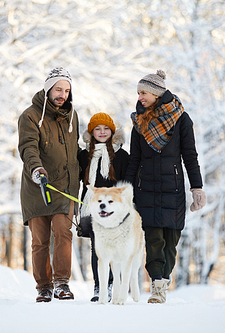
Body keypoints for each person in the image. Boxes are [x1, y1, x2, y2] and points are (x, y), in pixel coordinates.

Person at [125, 70, 207, 304]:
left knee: (171, 240)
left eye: (143, 93)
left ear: (156, 93)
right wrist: (127, 191)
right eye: (138, 93)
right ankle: (157, 287)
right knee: (153, 240)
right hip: (146, 189)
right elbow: (134, 160)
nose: (140, 97)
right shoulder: (138, 121)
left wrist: (197, 187)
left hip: (173, 188)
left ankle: (164, 280)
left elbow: (190, 155)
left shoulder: (181, 119)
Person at [17, 67, 80, 303]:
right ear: (48, 89)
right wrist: (36, 169)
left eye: (66, 90)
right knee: (40, 240)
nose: (62, 94)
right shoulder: (30, 116)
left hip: (64, 188)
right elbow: (27, 147)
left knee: (64, 232)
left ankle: (62, 282)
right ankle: (44, 286)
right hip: (37, 187)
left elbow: (74, 152)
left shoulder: (72, 116)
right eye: (58, 89)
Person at [78, 112, 130, 302]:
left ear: (112, 131)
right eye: (97, 129)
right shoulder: (84, 155)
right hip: (92, 208)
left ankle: (115, 284)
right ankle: (100, 287)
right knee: (97, 248)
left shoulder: (122, 155)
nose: (101, 132)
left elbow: (126, 184)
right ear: (91, 133)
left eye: (106, 128)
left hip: (114, 210)